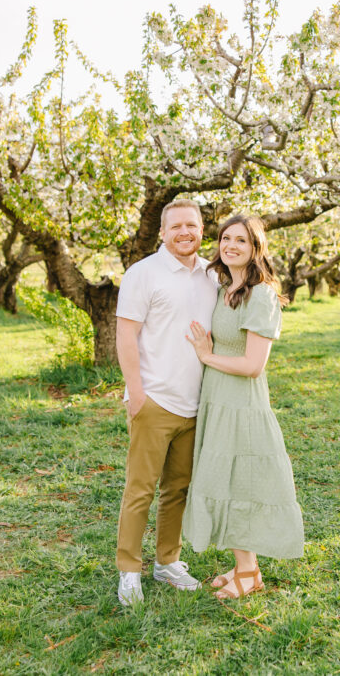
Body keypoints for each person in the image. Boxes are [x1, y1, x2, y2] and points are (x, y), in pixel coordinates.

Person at [183, 214, 304, 599]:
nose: (231, 245)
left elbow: (253, 366)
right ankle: (242, 565)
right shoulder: (225, 288)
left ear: (255, 249)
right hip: (218, 399)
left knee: (242, 481)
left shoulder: (261, 294)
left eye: (241, 240)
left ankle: (249, 574)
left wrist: (206, 355)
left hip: (241, 402)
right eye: (225, 238)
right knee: (225, 478)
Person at [113, 198, 219, 606]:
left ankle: (167, 562)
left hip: (196, 404)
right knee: (140, 490)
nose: (184, 232)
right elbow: (126, 336)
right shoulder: (143, 274)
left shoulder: (211, 275)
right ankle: (129, 571)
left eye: (191, 225)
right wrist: (135, 392)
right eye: (175, 226)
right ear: (162, 232)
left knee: (178, 489)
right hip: (154, 400)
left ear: (201, 230)